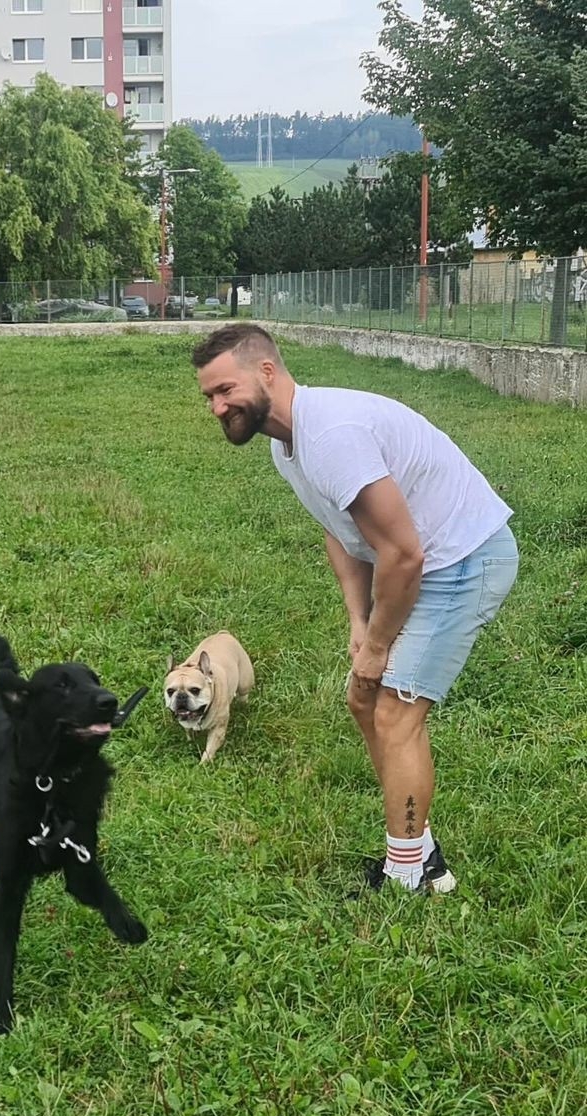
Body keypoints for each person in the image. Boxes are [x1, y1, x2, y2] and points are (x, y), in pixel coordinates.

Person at [192, 323, 518, 895]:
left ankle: (408, 875)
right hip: (418, 564)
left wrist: (377, 648)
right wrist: (359, 622)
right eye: (209, 397)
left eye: (225, 390)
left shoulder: (332, 435)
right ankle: (420, 853)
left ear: (267, 372)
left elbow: (404, 555)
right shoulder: (286, 446)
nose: (218, 407)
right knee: (364, 699)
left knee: (394, 712)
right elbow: (340, 530)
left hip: (463, 560)